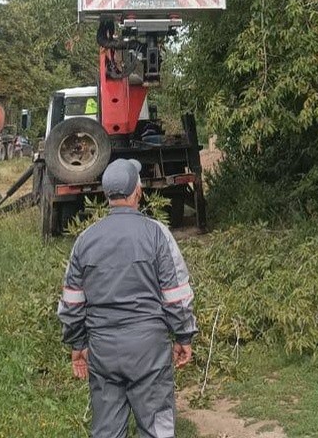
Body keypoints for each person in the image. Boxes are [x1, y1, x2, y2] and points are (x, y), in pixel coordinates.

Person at [57, 159, 197, 438]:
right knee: (157, 427)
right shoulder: (158, 234)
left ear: (107, 196)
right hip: (149, 349)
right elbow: (176, 295)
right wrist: (183, 336)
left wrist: (78, 343)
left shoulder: (85, 240)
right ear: (138, 192)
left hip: (103, 349)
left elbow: (72, 301)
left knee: (107, 430)